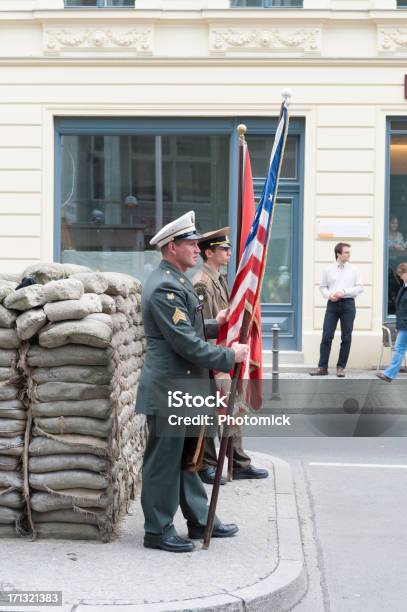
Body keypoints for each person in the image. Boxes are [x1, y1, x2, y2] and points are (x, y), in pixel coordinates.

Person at [135, 211, 249, 553]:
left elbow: (191, 330)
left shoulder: (178, 279)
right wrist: (230, 357)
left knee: (191, 459)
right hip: (171, 389)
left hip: (185, 389)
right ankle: (157, 530)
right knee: (163, 463)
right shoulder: (164, 286)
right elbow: (184, 342)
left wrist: (218, 323)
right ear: (172, 247)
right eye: (190, 244)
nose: (197, 249)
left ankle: (200, 520)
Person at [192, 228, 269, 484]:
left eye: (228, 248)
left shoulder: (220, 279)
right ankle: (208, 464)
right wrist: (222, 357)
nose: (229, 252)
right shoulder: (202, 283)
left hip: (226, 354)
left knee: (233, 408)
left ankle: (237, 461)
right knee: (215, 412)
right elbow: (201, 326)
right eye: (223, 249)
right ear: (209, 252)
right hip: (214, 356)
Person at [310, 242, 363, 377]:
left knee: (346, 337)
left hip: (348, 305)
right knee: (327, 336)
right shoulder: (328, 269)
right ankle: (322, 367)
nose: (349, 254)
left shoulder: (354, 269)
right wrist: (329, 295)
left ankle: (341, 367)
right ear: (338, 254)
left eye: (349, 252)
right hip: (332, 305)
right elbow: (322, 287)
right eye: (346, 252)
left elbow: (360, 288)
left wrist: (344, 292)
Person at [376, 262, 407, 382]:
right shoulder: (404, 287)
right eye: (399, 274)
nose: (399, 276)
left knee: (399, 348)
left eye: (401, 274)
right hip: (403, 324)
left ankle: (389, 374)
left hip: (405, 324)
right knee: (399, 348)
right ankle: (389, 374)